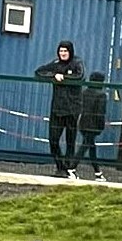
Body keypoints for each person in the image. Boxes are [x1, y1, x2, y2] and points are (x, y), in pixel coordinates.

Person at [34, 40, 84, 178]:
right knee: (53, 139)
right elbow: (39, 72)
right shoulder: (55, 64)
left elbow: (80, 76)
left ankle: (68, 169)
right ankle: (60, 167)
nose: (63, 53)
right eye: (61, 51)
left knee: (70, 140)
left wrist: (64, 77)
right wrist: (54, 76)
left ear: (70, 51)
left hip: (72, 108)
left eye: (65, 51)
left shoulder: (77, 63)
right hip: (57, 108)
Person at [71, 71, 107, 182]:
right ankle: (71, 168)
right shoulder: (101, 95)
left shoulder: (84, 93)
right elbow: (100, 113)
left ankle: (97, 172)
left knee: (90, 147)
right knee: (85, 146)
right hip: (93, 125)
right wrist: (101, 126)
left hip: (83, 123)